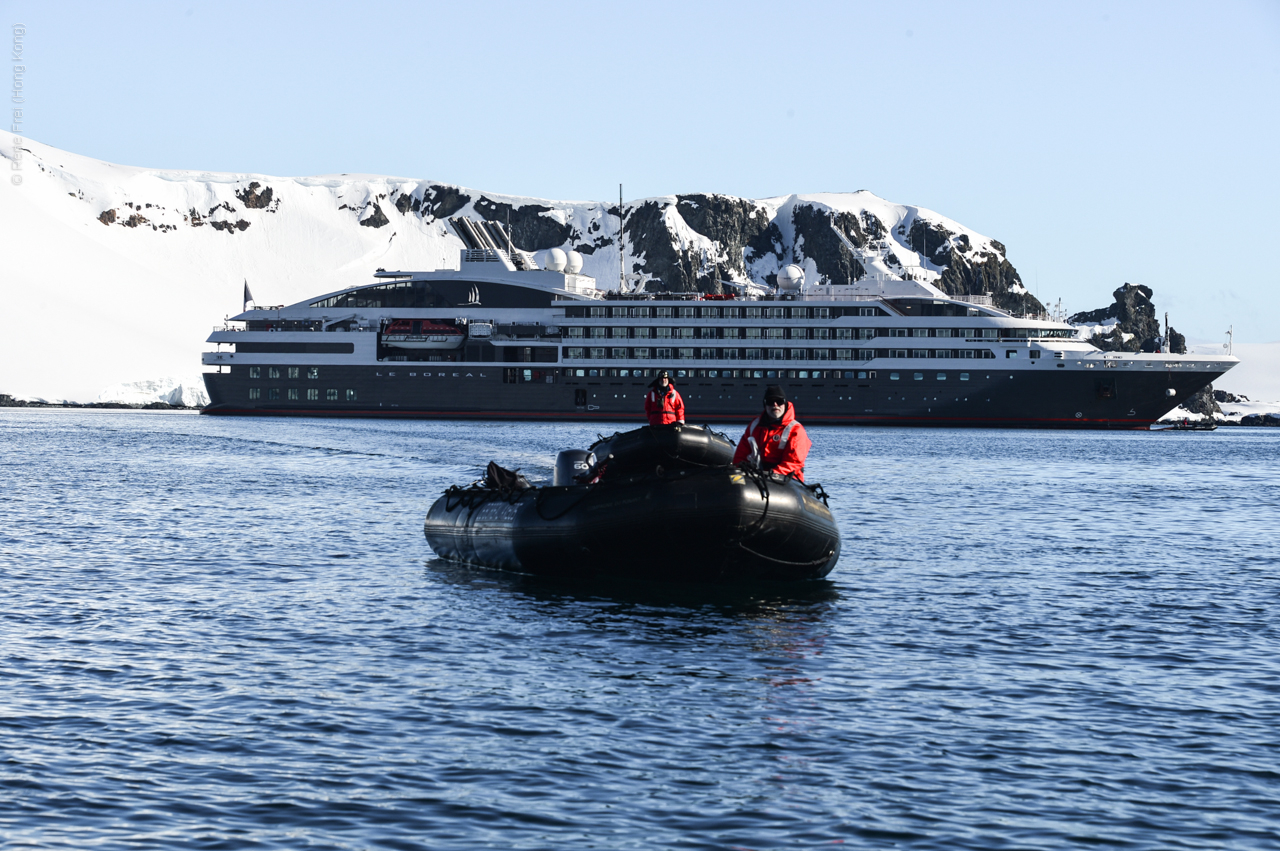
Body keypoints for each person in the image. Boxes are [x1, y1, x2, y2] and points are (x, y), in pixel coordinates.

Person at [732, 385, 811, 481]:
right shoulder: (754, 426)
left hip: (787, 480)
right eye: (770, 402)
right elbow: (740, 456)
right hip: (758, 476)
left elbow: (793, 462)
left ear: (785, 404)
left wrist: (771, 475)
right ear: (765, 405)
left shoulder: (796, 430)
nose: (775, 405)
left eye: (779, 401)